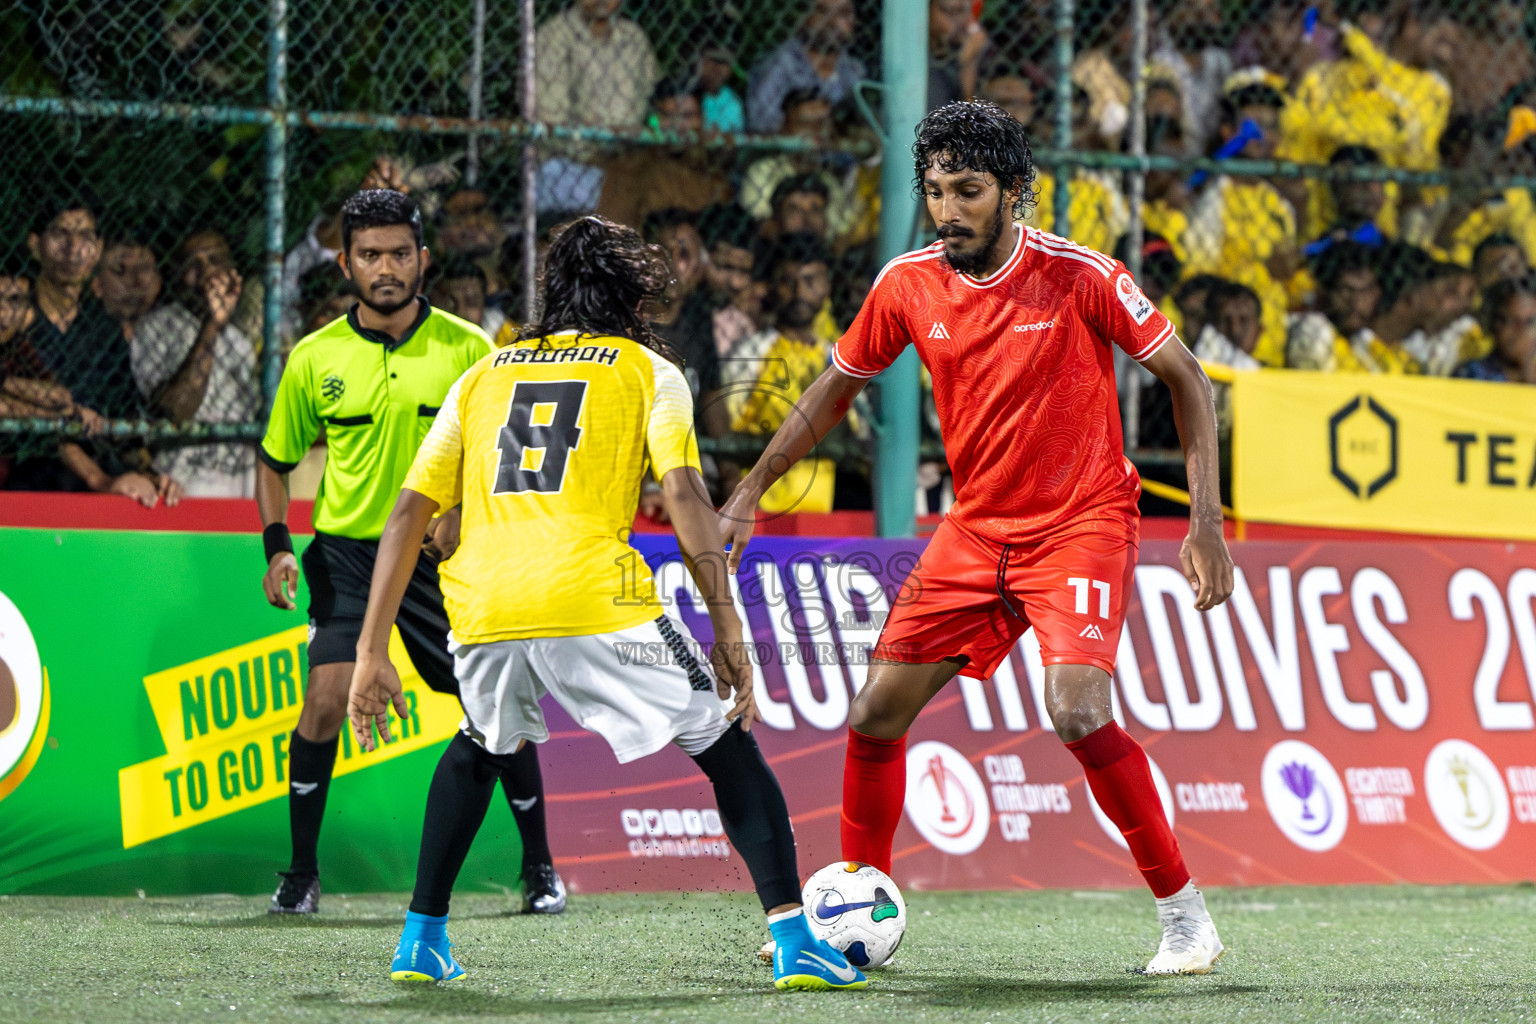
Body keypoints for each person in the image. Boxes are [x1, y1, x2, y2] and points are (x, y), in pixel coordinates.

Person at [720, 100, 1234, 975]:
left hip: (1081, 524)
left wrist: (1206, 524)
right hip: (975, 532)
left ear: (1013, 194)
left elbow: (1187, 379)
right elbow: (833, 390)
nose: (948, 209)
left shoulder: (1082, 274)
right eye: (935, 191)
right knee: (874, 713)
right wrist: (750, 490)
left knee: (1075, 710)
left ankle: (1186, 918)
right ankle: (858, 909)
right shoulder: (907, 284)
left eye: (968, 190)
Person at [344, 215, 869, 993]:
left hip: (485, 604)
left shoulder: (483, 374)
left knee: (480, 743)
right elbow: (686, 495)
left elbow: (407, 516)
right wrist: (726, 623)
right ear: (632, 294)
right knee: (726, 741)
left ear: (553, 292)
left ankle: (421, 940)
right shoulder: (648, 372)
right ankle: (795, 940)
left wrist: (369, 650)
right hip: (590, 595)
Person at [255, 190, 564, 917]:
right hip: (346, 557)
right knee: (326, 701)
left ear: (424, 258)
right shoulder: (313, 357)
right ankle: (301, 872)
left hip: (441, 558)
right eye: (369, 255)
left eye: (399, 253)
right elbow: (274, 462)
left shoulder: (468, 349)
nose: (385, 267)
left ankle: (540, 866)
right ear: (345, 264)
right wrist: (276, 546)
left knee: (497, 703)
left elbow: (503, 455)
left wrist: (461, 509)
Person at [131, 229, 261, 497]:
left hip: (238, 489)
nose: (206, 271)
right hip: (181, 488)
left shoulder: (240, 341)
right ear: (176, 274)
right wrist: (212, 324)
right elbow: (176, 411)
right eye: (193, 264)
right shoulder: (157, 327)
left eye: (215, 261)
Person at [746, 0, 865, 134]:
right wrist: (789, 124)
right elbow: (759, 124)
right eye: (823, 12)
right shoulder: (782, 63)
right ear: (804, 16)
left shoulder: (855, 70)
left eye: (843, 13)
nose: (833, 22)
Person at [1455, 276, 1536, 383]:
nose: (1521, 329)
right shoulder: (1471, 374)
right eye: (1510, 320)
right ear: (1494, 323)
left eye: (1531, 321)